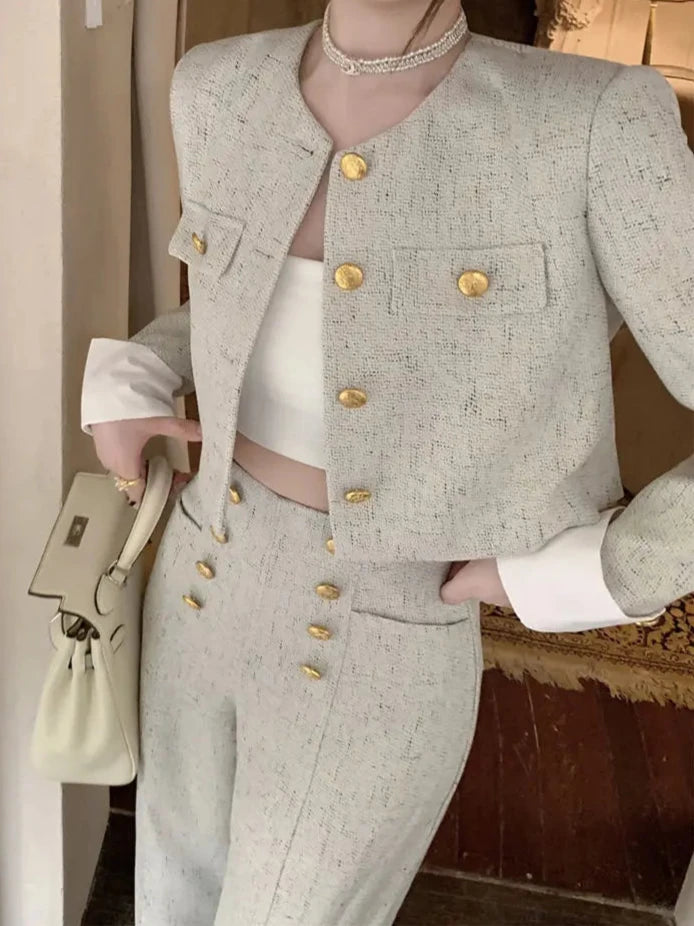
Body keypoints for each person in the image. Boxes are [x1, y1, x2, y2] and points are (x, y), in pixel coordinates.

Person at [80, 0, 694, 923]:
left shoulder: (592, 118)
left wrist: (602, 569)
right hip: (198, 578)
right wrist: (133, 378)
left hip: (381, 630)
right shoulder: (216, 85)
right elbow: (258, 304)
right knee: (169, 896)